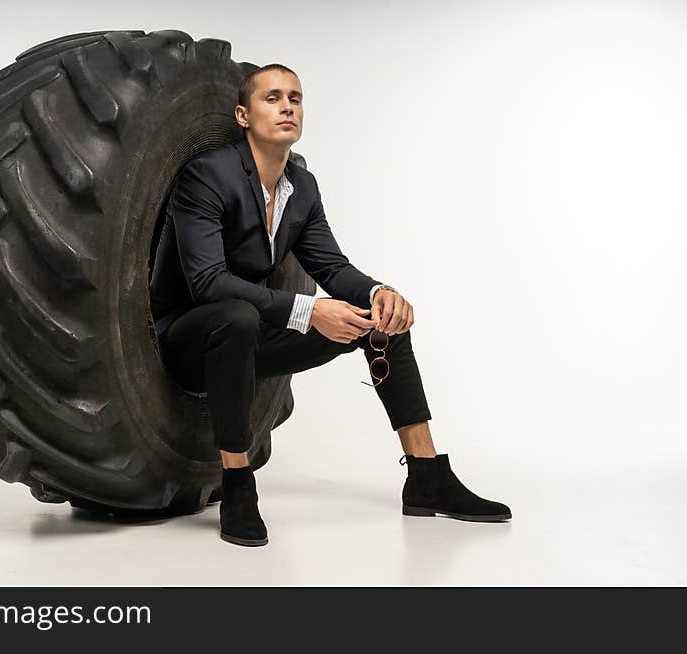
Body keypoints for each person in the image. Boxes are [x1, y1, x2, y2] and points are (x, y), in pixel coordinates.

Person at [150, 63, 511, 547]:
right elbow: (209, 284)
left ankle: (426, 476)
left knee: (381, 323)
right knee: (236, 317)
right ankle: (237, 485)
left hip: (252, 335)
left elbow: (332, 268)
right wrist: (309, 311)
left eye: (295, 99)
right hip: (189, 340)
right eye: (272, 98)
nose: (287, 107)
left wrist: (378, 293)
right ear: (243, 114)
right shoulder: (207, 176)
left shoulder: (302, 186)